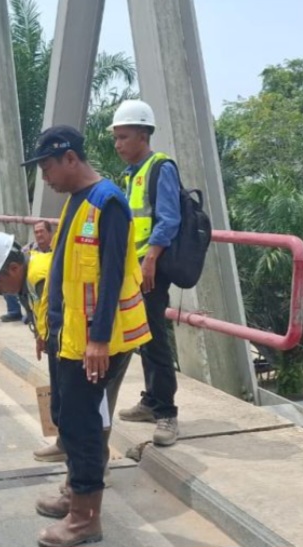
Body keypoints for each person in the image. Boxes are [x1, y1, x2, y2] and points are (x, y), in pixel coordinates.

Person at [23, 125, 151, 547]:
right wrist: (48, 329)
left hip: (92, 342)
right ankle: (74, 494)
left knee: (81, 425)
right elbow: (64, 275)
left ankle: (85, 519)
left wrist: (98, 340)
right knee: (68, 419)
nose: (44, 177)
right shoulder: (77, 202)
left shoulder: (107, 202)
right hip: (68, 336)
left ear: (70, 158)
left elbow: (111, 276)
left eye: (46, 167)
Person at [110, 99, 182, 447]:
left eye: (123, 137)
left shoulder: (160, 167)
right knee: (142, 337)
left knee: (154, 337)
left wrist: (151, 259)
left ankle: (166, 412)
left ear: (142, 134)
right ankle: (151, 400)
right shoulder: (132, 174)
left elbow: (169, 218)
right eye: (116, 138)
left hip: (149, 268)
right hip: (135, 269)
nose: (118, 144)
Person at [0, 222, 53, 323]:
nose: (39, 235)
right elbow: (18, 259)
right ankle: (15, 312)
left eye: (42, 231)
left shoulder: (57, 248)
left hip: (47, 283)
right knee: (6, 280)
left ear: (50, 233)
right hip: (30, 284)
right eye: (36, 232)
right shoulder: (30, 247)